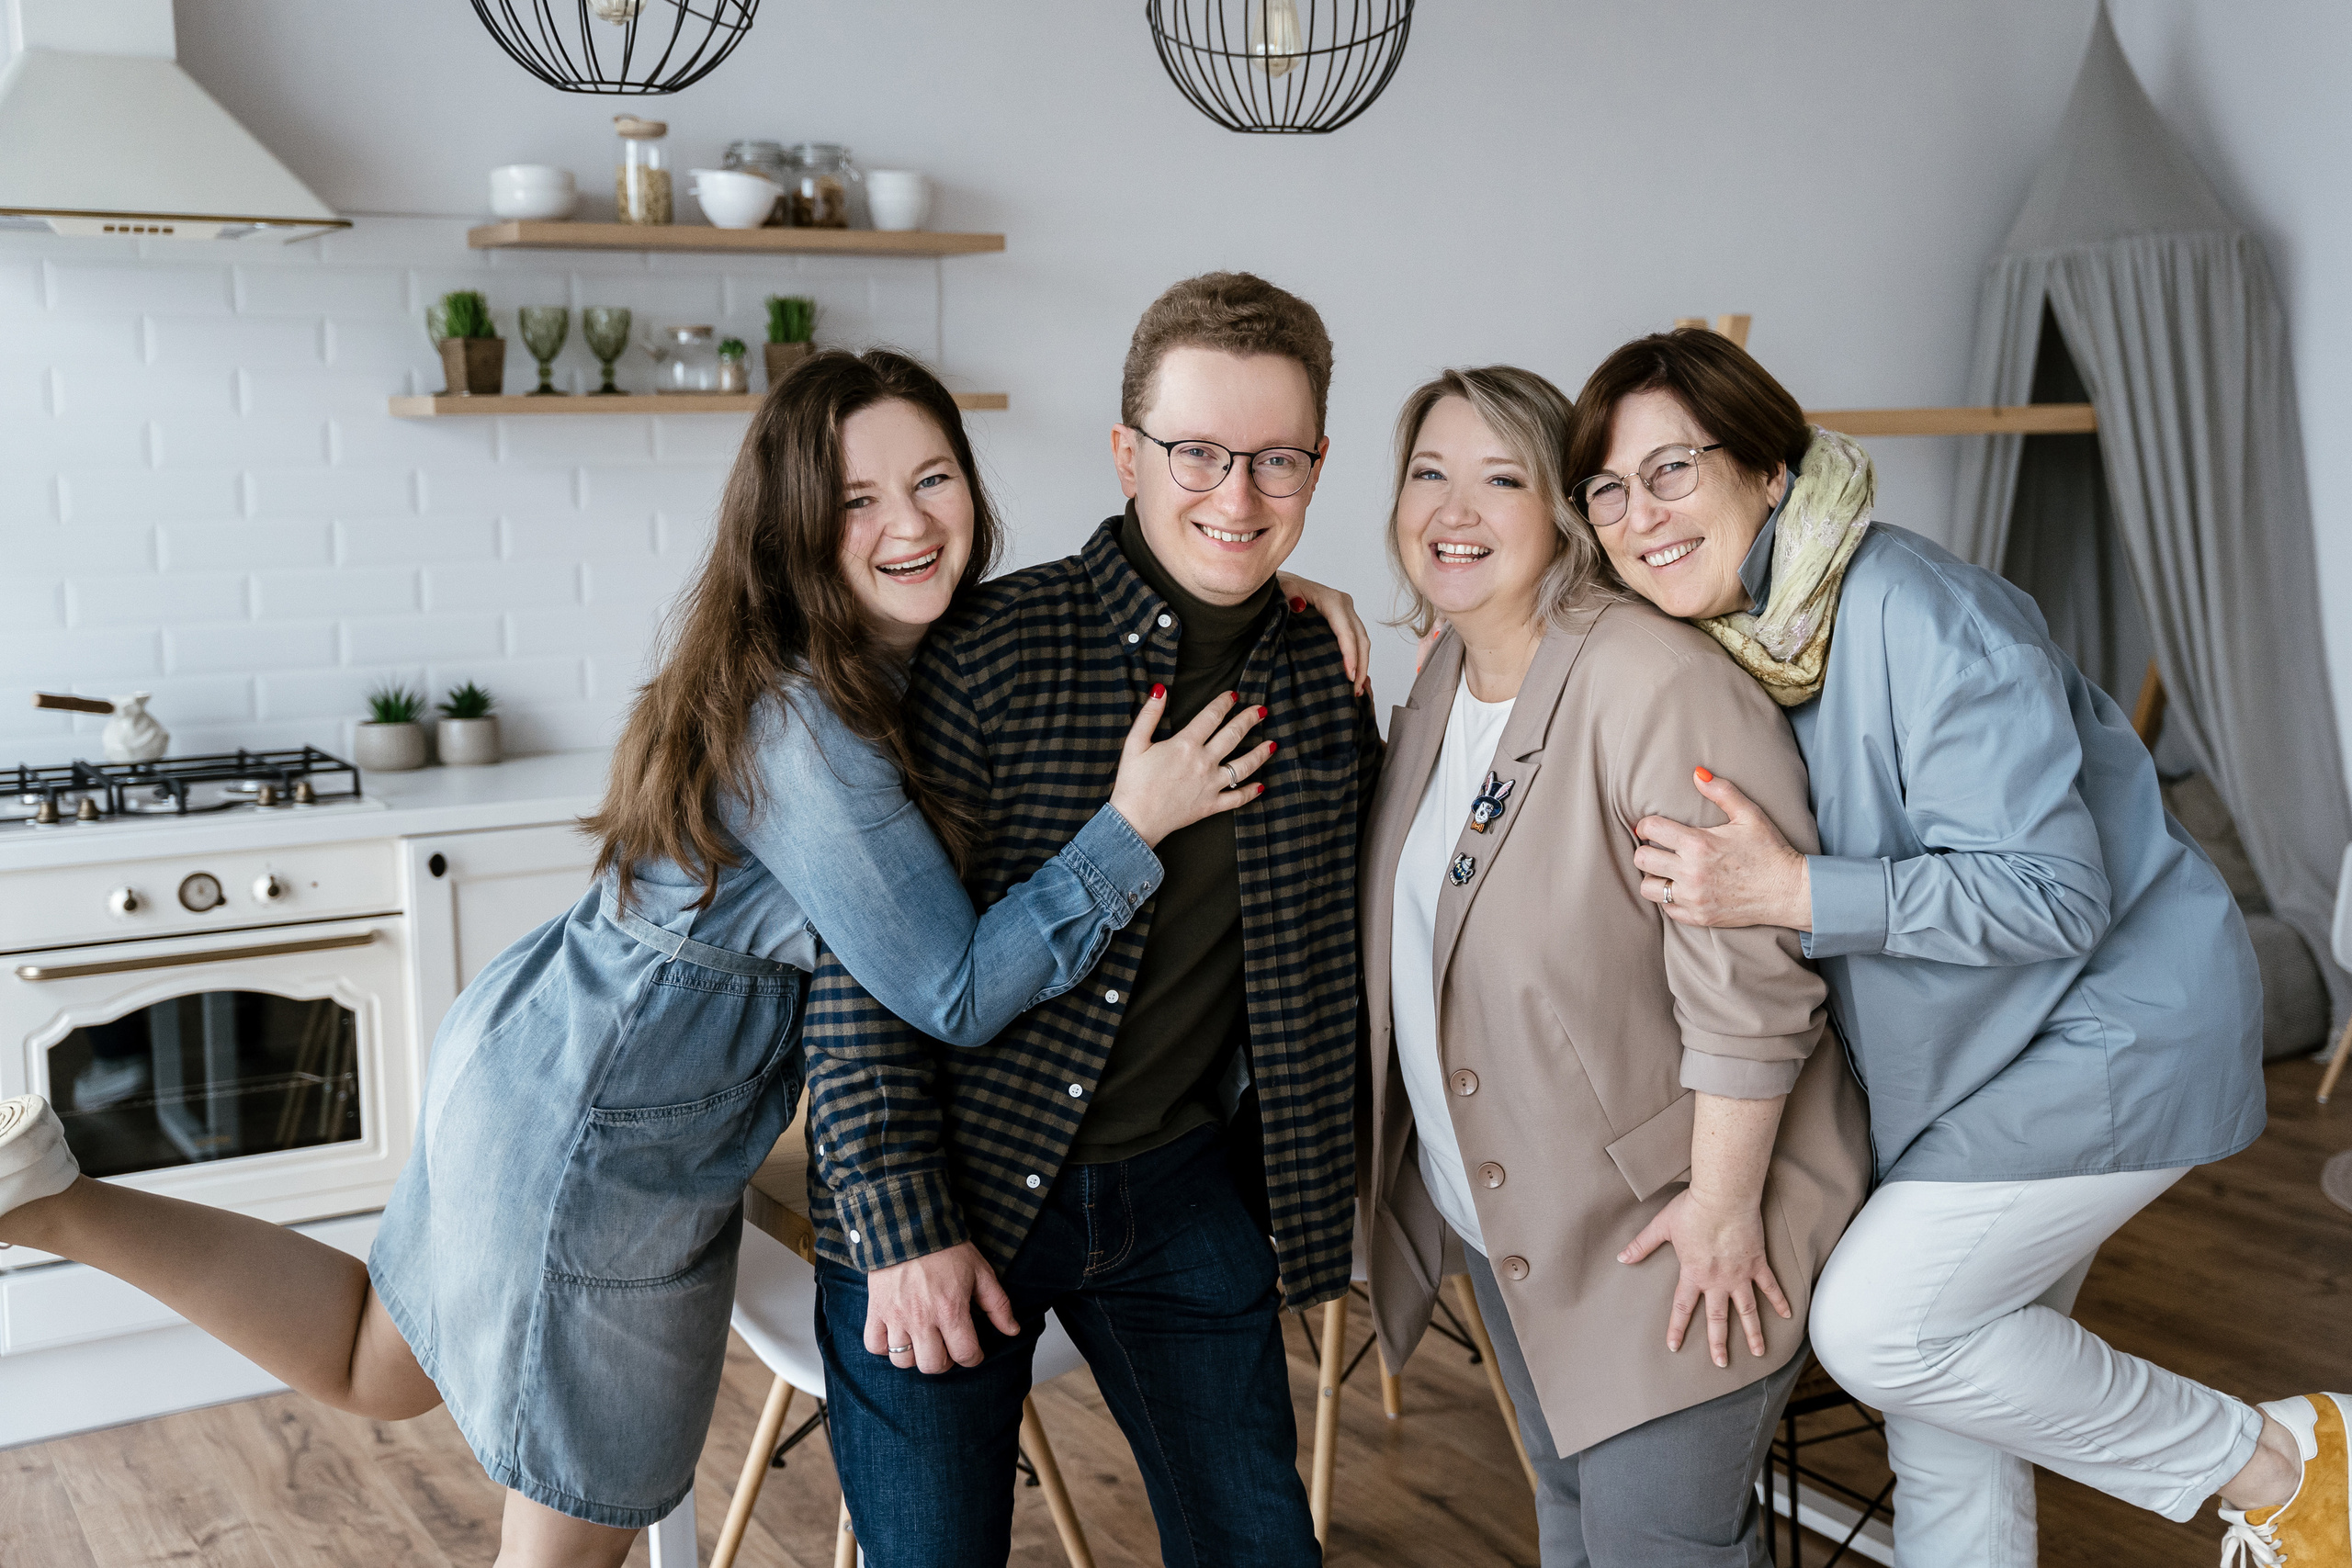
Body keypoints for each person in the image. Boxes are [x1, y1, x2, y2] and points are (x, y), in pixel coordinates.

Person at [0, 349, 1374, 1568]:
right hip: (604, 1126)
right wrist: (1125, 831)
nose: (907, 523)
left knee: (379, 1358)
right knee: (566, 1532)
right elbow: (946, 989)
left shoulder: (862, 655)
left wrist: (1248, 572)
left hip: (550, 1040)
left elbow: (1131, 580)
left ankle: (48, 1197)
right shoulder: (804, 727)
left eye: (934, 479)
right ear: (788, 532)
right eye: (854, 500)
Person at [1570, 327, 2348, 1568]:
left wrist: (1790, 891)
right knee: (1947, 1415)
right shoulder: (1737, 639)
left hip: (2107, 1032)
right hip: (1981, 1062)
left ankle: (2289, 1465)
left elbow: (2050, 897)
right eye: (1607, 488)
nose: (1638, 513)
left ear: (1770, 470)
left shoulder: (1917, 611)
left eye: (1672, 468)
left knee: (1883, 1330)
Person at [799, 273, 1381, 1568]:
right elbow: (860, 978)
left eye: (1276, 460)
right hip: (950, 1195)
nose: (1236, 496)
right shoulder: (988, 651)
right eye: (1196, 454)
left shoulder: (1326, 682)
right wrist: (902, 1230)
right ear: (1128, 454)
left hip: (1179, 1197)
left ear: (1317, 465)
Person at [1359, 366, 1870, 1567]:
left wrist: (1724, 1213)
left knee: (1657, 1548)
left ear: (1565, 514)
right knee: (1573, 1525)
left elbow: (1751, 980)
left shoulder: (1652, 681)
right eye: (1428, 473)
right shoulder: (1446, 674)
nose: (1455, 510)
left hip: (1675, 1234)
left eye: (1502, 479)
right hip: (1513, 1218)